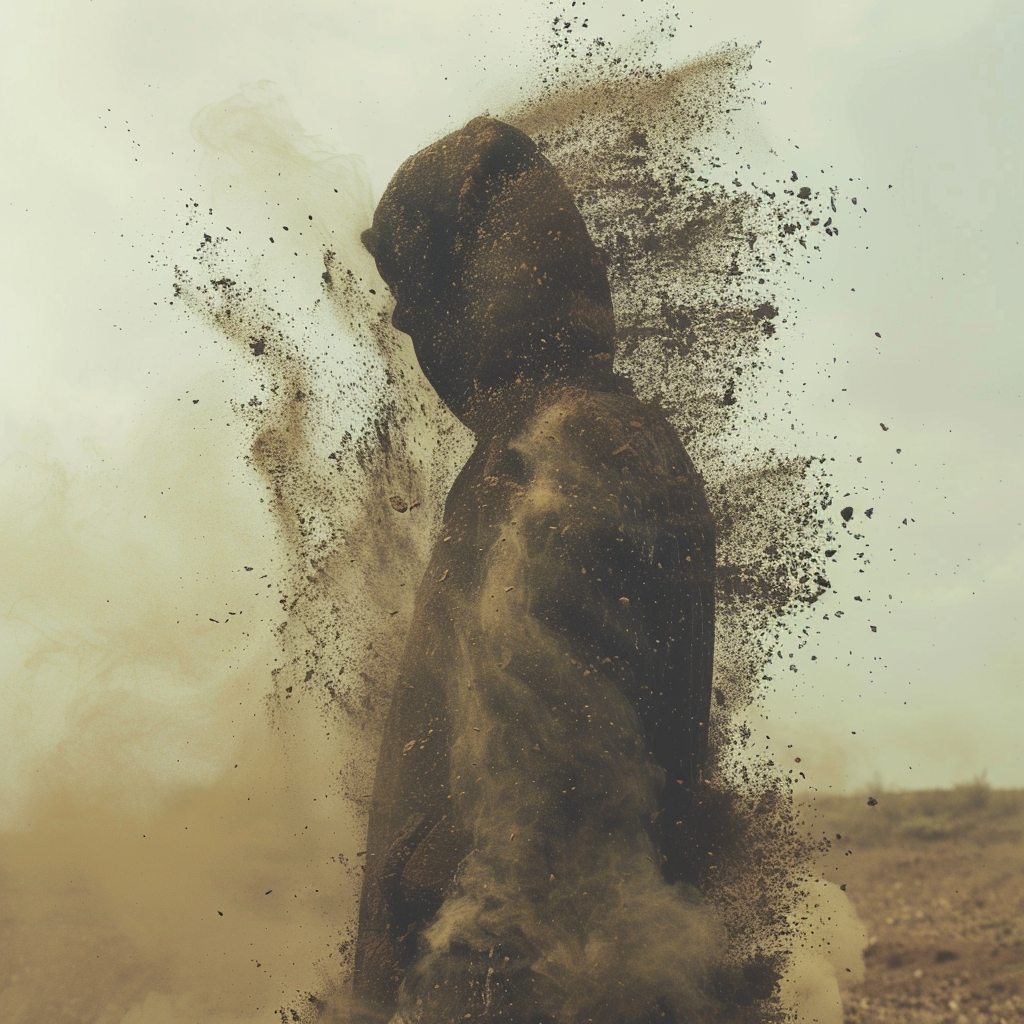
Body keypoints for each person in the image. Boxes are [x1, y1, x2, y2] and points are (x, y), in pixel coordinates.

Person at [354, 117, 717, 1024]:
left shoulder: (559, 457)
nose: (408, 330)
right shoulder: (589, 436)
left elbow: (532, 837)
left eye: (418, 294)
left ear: (473, 286)